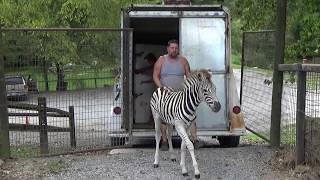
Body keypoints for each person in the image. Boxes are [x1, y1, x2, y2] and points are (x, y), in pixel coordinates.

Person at [153, 39, 201, 150]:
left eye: (176, 48)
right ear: (168, 48)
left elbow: (189, 76)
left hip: (181, 95)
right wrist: (161, 89)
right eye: (172, 48)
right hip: (166, 95)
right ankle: (164, 141)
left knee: (191, 115)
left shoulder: (183, 61)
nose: (174, 50)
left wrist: (191, 90)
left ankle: (195, 139)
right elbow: (155, 75)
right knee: (163, 117)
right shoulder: (161, 60)